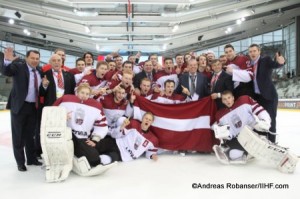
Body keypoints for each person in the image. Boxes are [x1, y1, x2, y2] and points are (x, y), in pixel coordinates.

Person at [0, 48, 42, 171]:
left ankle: (31, 159)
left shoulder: (39, 71)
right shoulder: (18, 67)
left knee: (31, 135)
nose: (35, 61)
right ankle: (20, 162)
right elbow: (6, 71)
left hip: (33, 107)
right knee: (18, 136)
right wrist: (7, 60)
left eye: (37, 59)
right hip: (20, 106)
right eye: (32, 58)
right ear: (27, 58)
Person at [53, 83, 109, 167]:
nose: (84, 95)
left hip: (83, 139)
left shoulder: (96, 106)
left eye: (87, 94)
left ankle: (77, 157)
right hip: (66, 136)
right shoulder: (65, 100)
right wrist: (62, 117)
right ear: (77, 92)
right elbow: (51, 113)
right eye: (82, 92)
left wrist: (95, 140)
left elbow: (102, 125)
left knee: (94, 159)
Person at [212, 90, 271, 164]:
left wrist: (265, 121)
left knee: (260, 127)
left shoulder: (244, 101)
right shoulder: (220, 115)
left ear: (233, 98)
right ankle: (249, 153)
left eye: (229, 97)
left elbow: (260, 111)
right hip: (240, 139)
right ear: (222, 101)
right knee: (233, 155)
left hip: (253, 133)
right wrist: (223, 137)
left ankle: (261, 142)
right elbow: (226, 134)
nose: (227, 100)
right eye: (225, 99)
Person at [247, 44, 285, 142]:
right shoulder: (249, 64)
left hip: (269, 96)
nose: (252, 53)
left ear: (259, 51)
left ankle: (272, 141)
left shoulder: (265, 60)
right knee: (260, 120)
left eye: (254, 51)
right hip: (257, 98)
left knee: (271, 120)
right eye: (250, 51)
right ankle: (262, 140)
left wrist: (281, 62)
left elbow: (275, 64)